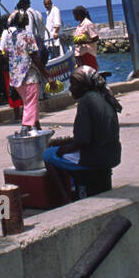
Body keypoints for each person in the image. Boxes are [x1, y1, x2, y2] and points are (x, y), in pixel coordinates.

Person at [44, 66, 121, 198]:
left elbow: (82, 141)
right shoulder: (105, 96)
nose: (70, 88)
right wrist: (65, 142)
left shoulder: (86, 101)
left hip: (95, 157)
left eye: (73, 85)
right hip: (112, 154)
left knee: (48, 155)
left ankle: (65, 199)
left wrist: (62, 149)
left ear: (84, 86)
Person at [0, 10, 50, 133]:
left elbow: (5, 54)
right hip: (29, 75)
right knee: (30, 103)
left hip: (16, 78)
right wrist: (48, 76)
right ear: (24, 21)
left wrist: (16, 59)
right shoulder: (28, 35)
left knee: (29, 103)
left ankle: (37, 127)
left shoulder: (10, 36)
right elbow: (35, 57)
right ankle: (25, 127)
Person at [17, 0, 49, 64]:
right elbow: (42, 29)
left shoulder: (28, 14)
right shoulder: (37, 12)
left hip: (35, 45)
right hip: (40, 41)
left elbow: (29, 31)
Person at [71, 5, 101, 70]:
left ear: (79, 15)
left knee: (89, 71)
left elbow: (95, 37)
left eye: (75, 15)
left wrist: (84, 42)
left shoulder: (87, 24)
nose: (74, 17)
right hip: (80, 53)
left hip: (87, 53)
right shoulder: (80, 24)